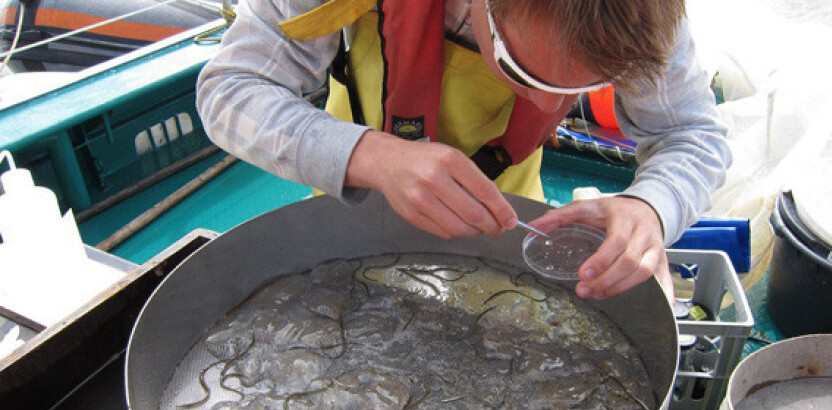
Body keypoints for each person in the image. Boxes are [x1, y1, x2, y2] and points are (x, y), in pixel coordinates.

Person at [196, 0, 731, 302]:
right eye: (522, 72)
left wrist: (651, 206)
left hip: (509, 219)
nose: (549, 103)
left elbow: (694, 135)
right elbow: (229, 90)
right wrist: (373, 158)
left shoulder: (648, 11)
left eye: (582, 87)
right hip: (349, 213)